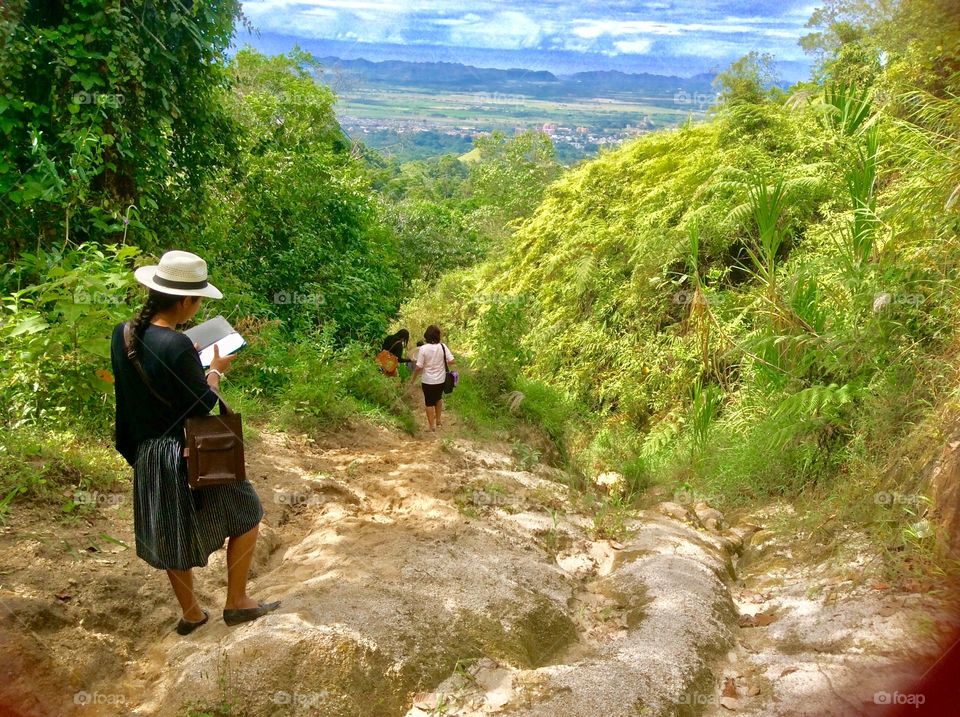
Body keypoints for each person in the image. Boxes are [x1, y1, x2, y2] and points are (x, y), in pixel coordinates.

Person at [110, 250, 280, 636]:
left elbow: (134, 395)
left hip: (150, 454)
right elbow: (202, 404)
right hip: (188, 452)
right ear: (185, 300)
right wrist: (216, 372)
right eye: (198, 299)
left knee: (169, 531)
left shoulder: (122, 334)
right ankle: (236, 602)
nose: (199, 306)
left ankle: (191, 613)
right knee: (247, 512)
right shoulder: (179, 346)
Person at [410, 325, 455, 431]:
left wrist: (413, 379)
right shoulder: (443, 347)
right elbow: (452, 361)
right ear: (438, 336)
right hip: (441, 379)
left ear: (427, 336)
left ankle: (431, 426)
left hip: (427, 381)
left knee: (429, 402)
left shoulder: (423, 349)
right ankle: (438, 420)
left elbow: (419, 366)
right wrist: (441, 361)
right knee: (438, 398)